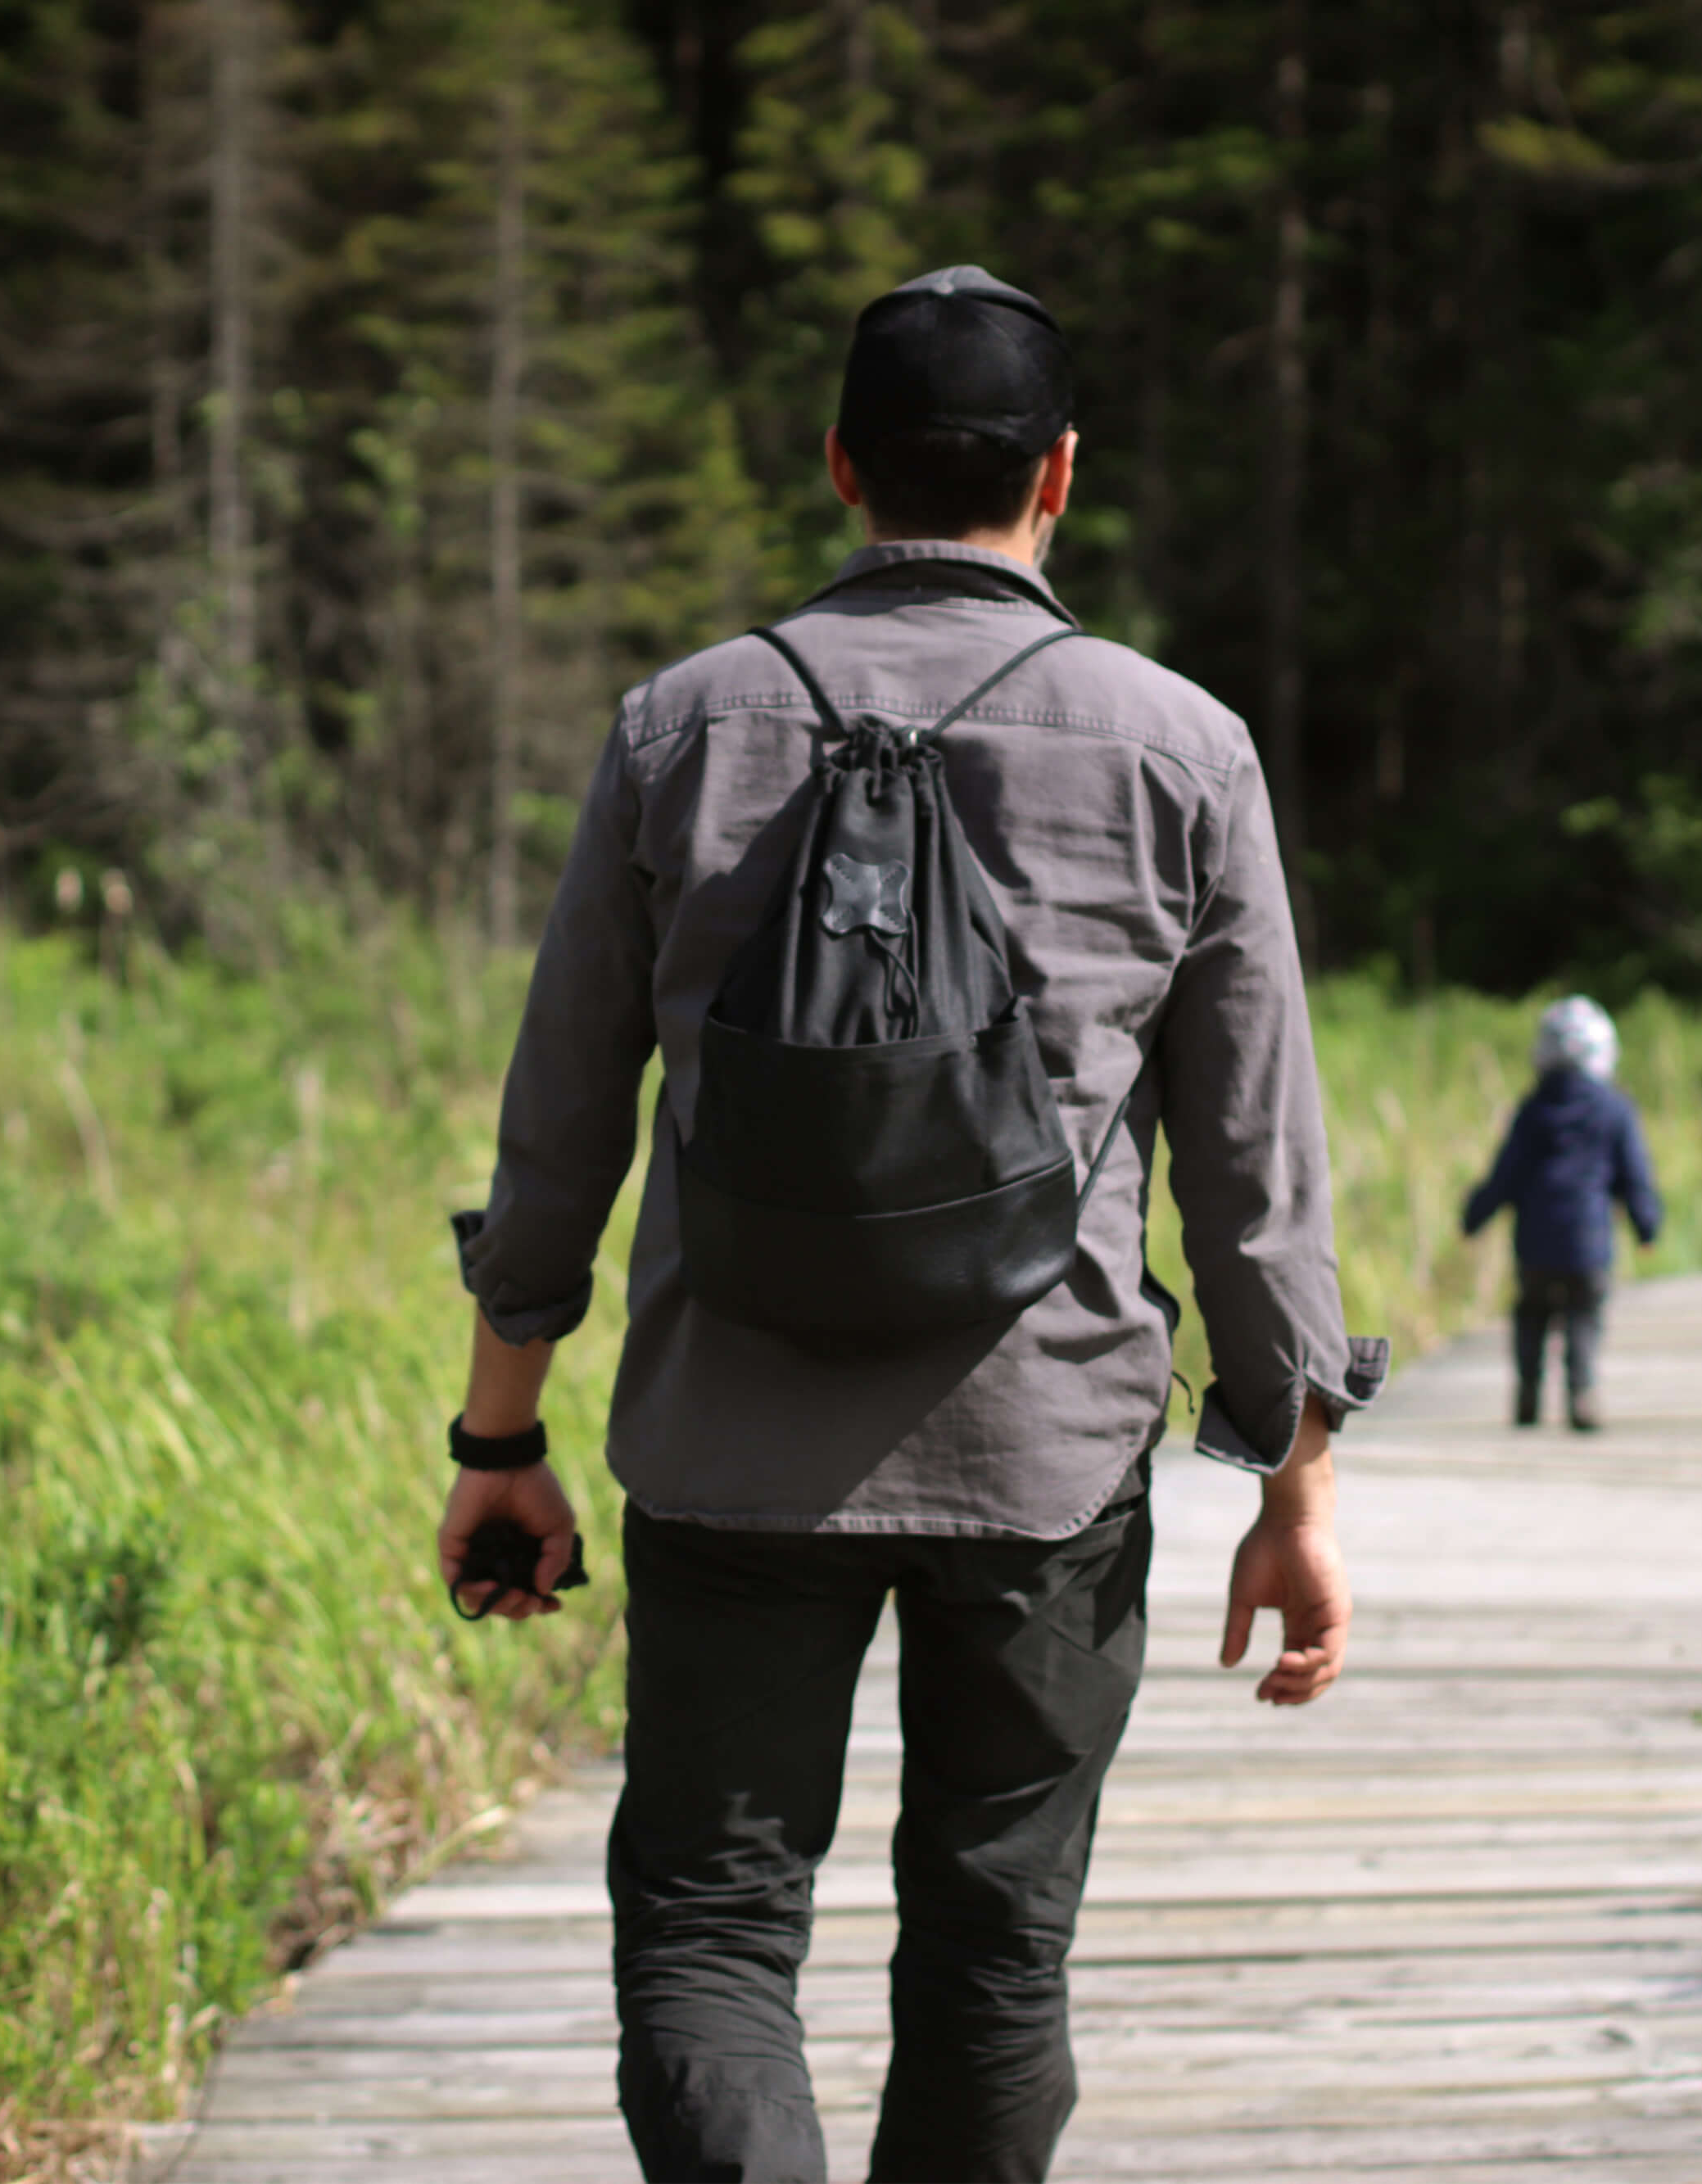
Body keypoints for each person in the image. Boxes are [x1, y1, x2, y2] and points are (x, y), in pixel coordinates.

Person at [433, 265, 1386, 2184]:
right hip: (1042, 1462)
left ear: (839, 465)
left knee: (710, 1935)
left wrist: (500, 1434)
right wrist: (1292, 1487)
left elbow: (558, 1127)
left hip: (726, 1451)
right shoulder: (1178, 748)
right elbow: (1252, 1168)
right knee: (992, 1953)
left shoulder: (680, 725)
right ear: (1058, 475)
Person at [1460, 995, 1662, 1431]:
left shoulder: (1532, 1111)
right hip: (1589, 1242)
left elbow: (1505, 1174)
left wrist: (1475, 1216)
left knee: (1532, 1315)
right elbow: (1635, 1175)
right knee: (1584, 1318)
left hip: (1534, 1242)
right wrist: (1647, 1225)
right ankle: (1582, 1396)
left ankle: (1528, 1395)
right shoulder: (1615, 1109)